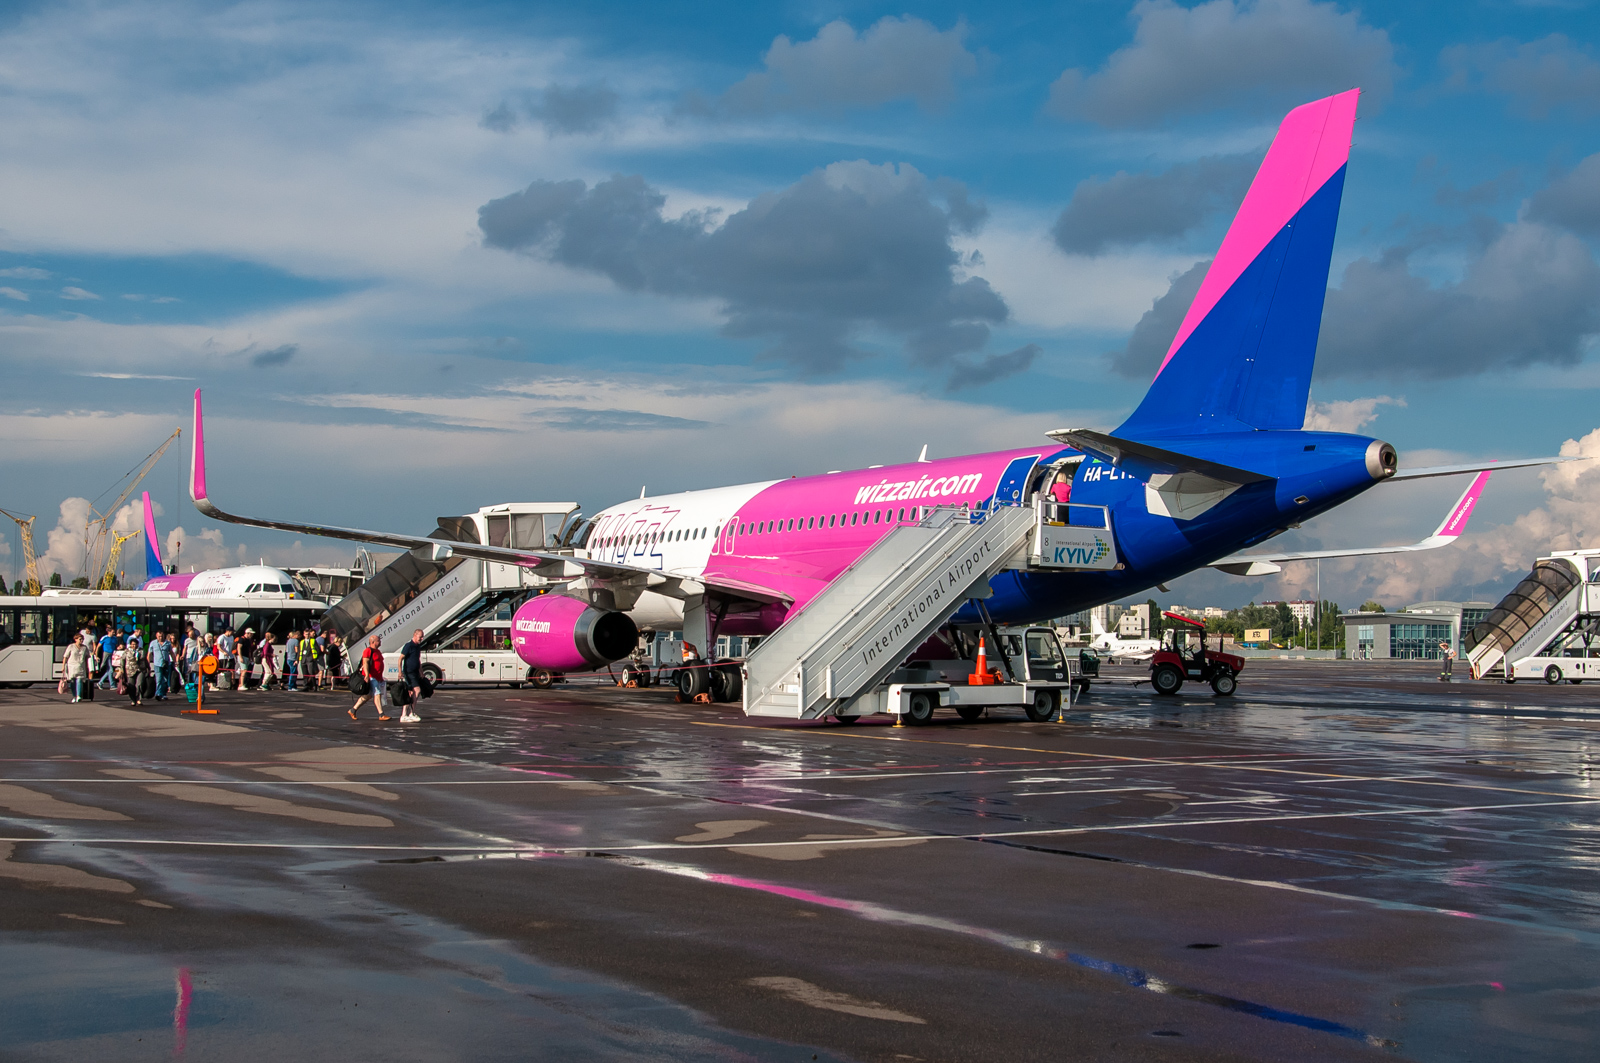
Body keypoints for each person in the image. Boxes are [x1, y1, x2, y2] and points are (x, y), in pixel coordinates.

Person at [349, 635, 389, 720]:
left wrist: (380, 677)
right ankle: (381, 714)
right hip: (371, 676)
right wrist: (367, 675)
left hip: (377, 677)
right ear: (373, 642)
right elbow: (365, 663)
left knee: (368, 696)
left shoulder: (378, 651)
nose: (380, 642)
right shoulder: (368, 650)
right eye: (378, 641)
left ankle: (353, 710)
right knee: (377, 693)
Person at [398, 628, 424, 723]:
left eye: (422, 637)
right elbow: (400, 658)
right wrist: (400, 671)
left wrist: (421, 671)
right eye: (420, 637)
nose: (421, 639)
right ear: (415, 635)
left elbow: (418, 660)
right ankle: (408, 714)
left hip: (415, 672)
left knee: (411, 693)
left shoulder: (417, 647)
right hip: (409, 672)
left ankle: (407, 714)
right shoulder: (409, 646)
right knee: (416, 690)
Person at [62, 633, 90, 703]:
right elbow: (65, 657)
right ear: (75, 639)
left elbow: (86, 657)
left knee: (80, 680)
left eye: (82, 639)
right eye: (80, 639)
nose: (81, 641)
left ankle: (79, 695)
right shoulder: (71, 646)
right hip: (72, 666)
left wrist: (87, 667)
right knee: (73, 681)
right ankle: (74, 695)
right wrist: (63, 666)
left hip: (81, 666)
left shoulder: (84, 647)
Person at [122, 636, 148, 706]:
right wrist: (121, 669)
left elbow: (145, 660)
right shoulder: (127, 651)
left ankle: (138, 699)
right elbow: (122, 660)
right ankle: (133, 700)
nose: (134, 646)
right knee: (131, 686)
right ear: (130, 644)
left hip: (140, 669)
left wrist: (147, 667)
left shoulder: (142, 651)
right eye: (132, 644)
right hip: (130, 670)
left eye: (135, 644)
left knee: (139, 684)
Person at [150, 631, 173, 701]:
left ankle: (163, 694)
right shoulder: (153, 643)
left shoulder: (168, 643)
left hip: (166, 663)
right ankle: (158, 694)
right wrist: (148, 663)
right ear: (156, 636)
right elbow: (149, 653)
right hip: (157, 664)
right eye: (159, 636)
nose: (161, 637)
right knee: (159, 679)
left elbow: (171, 652)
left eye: (162, 636)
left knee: (165, 680)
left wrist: (175, 661)